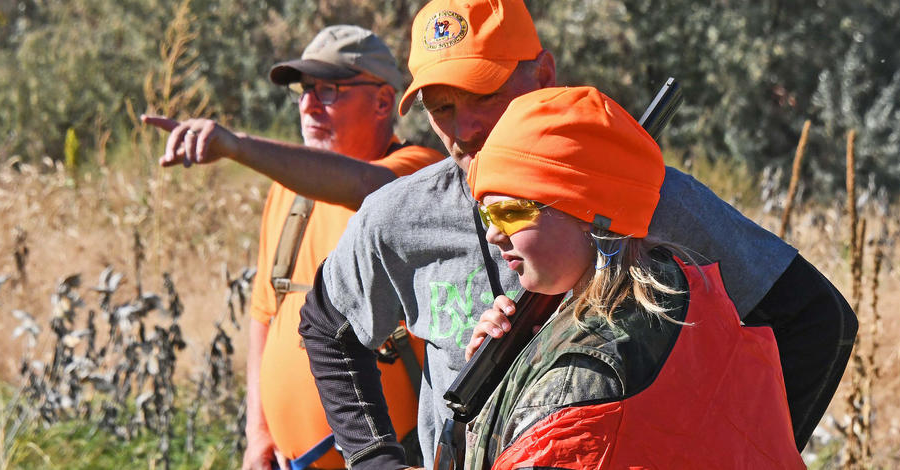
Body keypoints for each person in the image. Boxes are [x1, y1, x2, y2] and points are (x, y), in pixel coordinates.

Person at [297, 1, 857, 468]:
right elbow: (326, 323)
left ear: (543, 75)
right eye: (441, 107)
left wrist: (741, 450)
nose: (465, 128)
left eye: (485, 94)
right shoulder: (400, 216)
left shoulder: (643, 193)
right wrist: (374, 458)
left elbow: (813, 320)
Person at [143, 25, 443, 470]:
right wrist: (259, 434)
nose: (308, 105)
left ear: (383, 101)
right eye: (304, 91)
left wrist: (237, 147)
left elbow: (365, 185)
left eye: (328, 90)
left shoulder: (420, 176)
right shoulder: (289, 191)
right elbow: (265, 316)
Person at [461, 85, 804, 469]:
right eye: (487, 216)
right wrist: (506, 382)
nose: (492, 234)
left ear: (586, 211)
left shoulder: (579, 378)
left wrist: (529, 387)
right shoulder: (682, 288)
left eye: (510, 213)